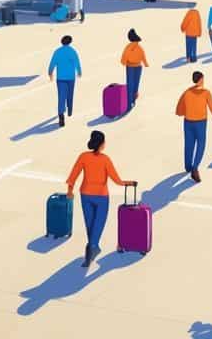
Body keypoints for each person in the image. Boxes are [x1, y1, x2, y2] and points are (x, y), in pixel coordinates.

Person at [66, 130, 134, 268]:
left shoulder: (83, 157)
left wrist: (69, 191)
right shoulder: (105, 160)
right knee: (98, 225)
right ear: (102, 144)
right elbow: (117, 180)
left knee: (90, 225)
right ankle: (92, 248)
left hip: (85, 194)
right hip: (101, 197)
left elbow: (73, 175)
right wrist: (129, 183)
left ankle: (90, 250)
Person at [176, 71, 212, 183]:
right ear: (200, 80)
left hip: (188, 122)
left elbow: (179, 109)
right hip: (200, 123)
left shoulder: (187, 92)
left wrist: (186, 112)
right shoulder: (206, 93)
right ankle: (195, 167)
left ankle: (188, 166)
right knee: (201, 144)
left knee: (189, 145)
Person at [48, 35, 82, 127]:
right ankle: (70, 110)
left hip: (61, 78)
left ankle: (61, 114)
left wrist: (50, 72)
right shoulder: (72, 51)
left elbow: (52, 63)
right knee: (70, 94)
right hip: (71, 78)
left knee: (61, 96)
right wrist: (79, 71)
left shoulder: (57, 52)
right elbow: (77, 63)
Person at [120, 29, 149, 109]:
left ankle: (129, 103)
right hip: (138, 66)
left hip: (130, 67)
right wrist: (145, 63)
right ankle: (133, 99)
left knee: (130, 84)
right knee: (136, 83)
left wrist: (124, 62)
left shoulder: (128, 47)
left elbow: (124, 56)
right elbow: (143, 55)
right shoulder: (139, 47)